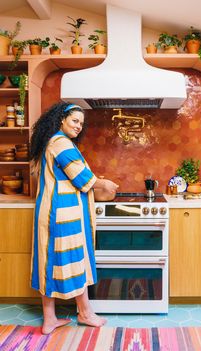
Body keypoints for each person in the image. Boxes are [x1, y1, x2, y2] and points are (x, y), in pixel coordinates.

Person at [30, 101, 119, 334]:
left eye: (81, 123)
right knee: (57, 261)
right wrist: (104, 183)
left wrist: (95, 183)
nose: (79, 126)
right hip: (59, 214)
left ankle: (60, 316)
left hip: (62, 213)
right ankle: (82, 314)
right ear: (61, 120)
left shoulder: (59, 142)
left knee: (57, 261)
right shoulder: (60, 142)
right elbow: (80, 176)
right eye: (74, 121)